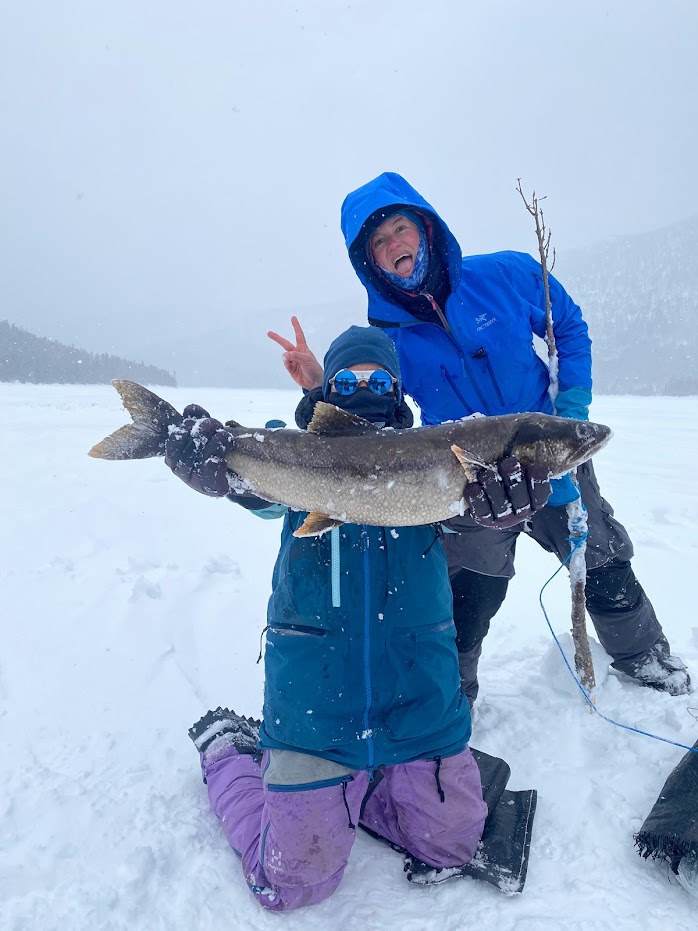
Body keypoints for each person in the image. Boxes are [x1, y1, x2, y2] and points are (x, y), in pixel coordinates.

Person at [268, 172, 691, 704]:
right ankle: (452, 693)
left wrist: (571, 410)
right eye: (378, 242)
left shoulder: (508, 274)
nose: (393, 244)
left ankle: (643, 657)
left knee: (602, 557)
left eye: (400, 228)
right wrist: (318, 386)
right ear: (368, 262)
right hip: (465, 483)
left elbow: (572, 327)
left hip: (548, 456)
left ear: (425, 227)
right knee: (467, 591)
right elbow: (386, 416)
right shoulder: (389, 337)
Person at [164, 326, 547, 911]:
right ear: (328, 391)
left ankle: (362, 786)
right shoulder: (296, 457)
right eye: (347, 381)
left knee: (451, 846)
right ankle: (230, 751)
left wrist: (501, 513)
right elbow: (257, 475)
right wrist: (222, 466)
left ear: (397, 391)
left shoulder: (443, 465)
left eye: (377, 379)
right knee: (292, 883)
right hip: (314, 704)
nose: (362, 388)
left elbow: (476, 544)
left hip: (419, 695)